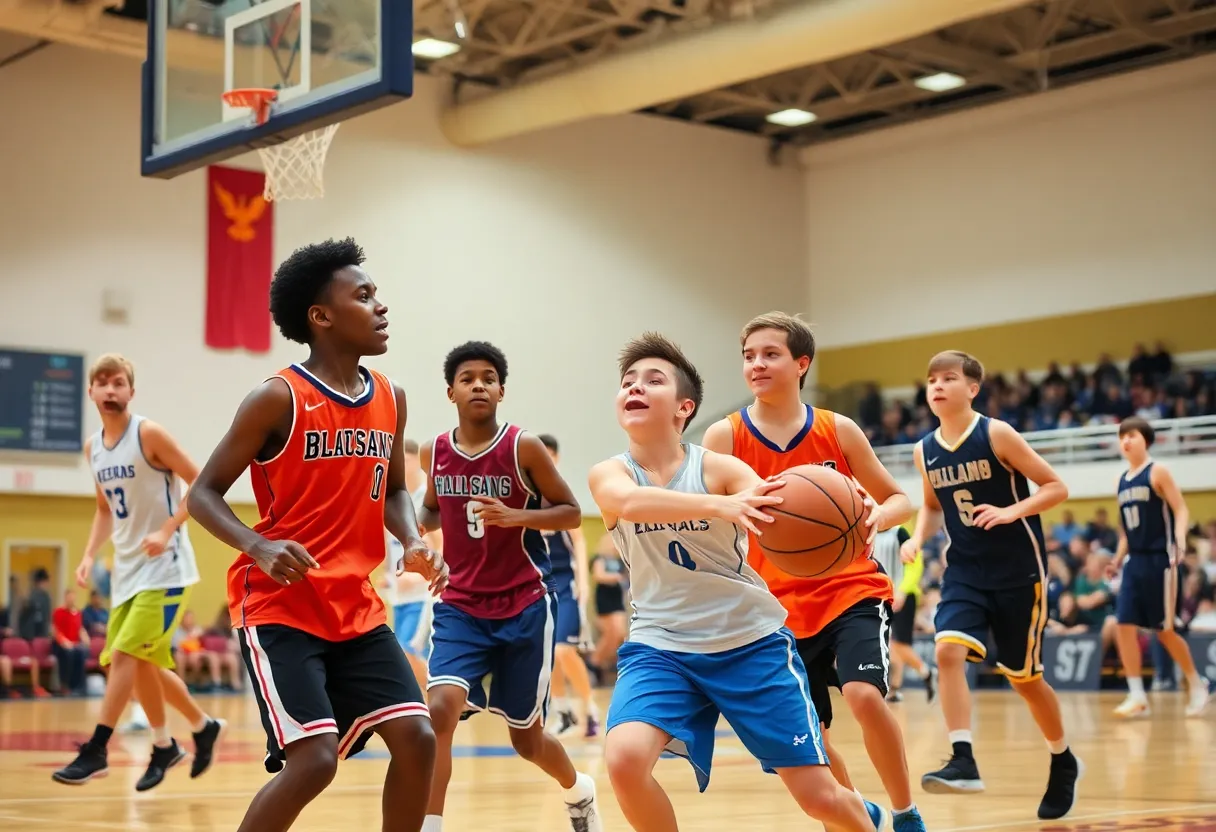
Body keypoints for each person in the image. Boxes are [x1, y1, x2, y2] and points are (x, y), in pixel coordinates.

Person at [186, 238, 446, 832]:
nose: (381, 306)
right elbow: (202, 493)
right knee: (315, 761)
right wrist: (258, 544)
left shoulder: (391, 398)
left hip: (356, 606)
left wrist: (410, 540)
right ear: (321, 317)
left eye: (377, 294)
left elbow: (396, 491)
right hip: (282, 605)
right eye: (364, 295)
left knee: (417, 737)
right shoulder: (277, 398)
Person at [589, 331, 892, 832]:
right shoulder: (610, 474)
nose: (635, 387)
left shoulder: (723, 468)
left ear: (684, 408)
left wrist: (848, 505)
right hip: (660, 644)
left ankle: (866, 817)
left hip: (749, 643)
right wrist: (719, 505)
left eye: (653, 380)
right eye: (627, 382)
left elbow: (780, 502)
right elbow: (628, 504)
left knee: (819, 799)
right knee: (623, 761)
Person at [701, 312, 924, 832]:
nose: (756, 364)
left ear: (801, 363)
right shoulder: (724, 436)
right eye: (749, 355)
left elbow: (899, 499)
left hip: (850, 588)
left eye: (770, 353)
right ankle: (851, 810)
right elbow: (702, 518)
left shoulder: (836, 429)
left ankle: (904, 811)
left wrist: (876, 516)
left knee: (866, 695)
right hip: (772, 610)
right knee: (813, 739)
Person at [417, 341, 601, 832]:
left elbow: (570, 512)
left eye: (488, 377)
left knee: (527, 739)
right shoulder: (435, 451)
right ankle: (431, 824)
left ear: (501, 390)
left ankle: (579, 790)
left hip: (524, 604)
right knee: (439, 712)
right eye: (467, 378)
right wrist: (425, 543)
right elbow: (430, 509)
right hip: (460, 604)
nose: (479, 384)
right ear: (450, 391)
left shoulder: (523, 447)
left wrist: (515, 515)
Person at [901, 350, 1082, 820]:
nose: (937, 386)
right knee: (945, 651)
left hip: (1019, 572)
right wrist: (918, 539)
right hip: (965, 570)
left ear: (972, 389)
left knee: (1025, 680)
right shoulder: (924, 449)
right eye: (931, 380)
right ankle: (963, 759)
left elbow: (1055, 487)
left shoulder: (996, 433)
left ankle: (1063, 760)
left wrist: (1010, 511)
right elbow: (932, 505)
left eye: (949, 378)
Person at [54, 353, 224, 791]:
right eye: (103, 383)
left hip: (166, 569)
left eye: (118, 383)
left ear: (131, 391)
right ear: (90, 391)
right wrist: (90, 554)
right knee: (135, 664)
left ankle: (97, 749)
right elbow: (102, 508)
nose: (110, 390)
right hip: (128, 571)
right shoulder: (93, 448)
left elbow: (201, 483)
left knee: (128, 657)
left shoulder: (148, 434)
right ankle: (188, 734)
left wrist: (168, 529)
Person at [1109, 416, 1211, 718]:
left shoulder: (1158, 472)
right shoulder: (1121, 480)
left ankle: (1197, 683)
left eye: (1132, 435)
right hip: (1134, 562)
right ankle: (1137, 695)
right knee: (1122, 626)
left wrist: (1179, 540)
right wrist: (1116, 559)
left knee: (1165, 631)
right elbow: (1126, 529)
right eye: (1122, 436)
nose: (1126, 441)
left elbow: (1180, 509)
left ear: (1146, 440)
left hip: (1160, 561)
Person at [536, 433, 600, 739]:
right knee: (548, 655)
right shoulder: (526, 496)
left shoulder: (561, 493)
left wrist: (584, 584)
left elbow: (579, 541)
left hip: (567, 582)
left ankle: (590, 707)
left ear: (556, 458)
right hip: (540, 584)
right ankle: (563, 712)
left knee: (563, 650)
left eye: (548, 454)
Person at [385, 438, 441, 687]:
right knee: (404, 655)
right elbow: (390, 546)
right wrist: (389, 573)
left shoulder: (423, 502)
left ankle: (436, 703)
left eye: (404, 460)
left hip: (422, 595)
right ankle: (430, 707)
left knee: (408, 652)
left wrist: (419, 575)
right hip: (399, 596)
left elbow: (441, 547)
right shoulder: (392, 500)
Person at [872, 527, 937, 704]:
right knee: (891, 643)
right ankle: (894, 689)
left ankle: (926, 672)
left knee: (899, 643)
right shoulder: (871, 533)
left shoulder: (899, 533)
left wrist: (903, 589)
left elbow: (915, 562)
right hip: (882, 595)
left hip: (903, 594)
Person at [51, 589, 90, 694]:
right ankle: (65, 684)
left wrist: (85, 637)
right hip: (61, 644)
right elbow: (56, 630)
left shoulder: (78, 613)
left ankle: (78, 686)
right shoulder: (58, 612)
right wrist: (64, 641)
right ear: (65, 598)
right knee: (68, 653)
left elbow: (80, 629)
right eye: (69, 597)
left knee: (82, 652)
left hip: (74, 644)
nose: (71, 600)